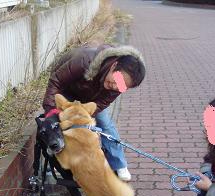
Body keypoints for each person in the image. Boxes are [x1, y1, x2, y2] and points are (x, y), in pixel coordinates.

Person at [42, 44, 146, 181]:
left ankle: (119, 163)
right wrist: (50, 111)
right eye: (117, 80)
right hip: (66, 90)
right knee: (60, 124)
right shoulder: (85, 60)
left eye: (122, 86)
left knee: (105, 124)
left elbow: (103, 102)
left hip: (91, 98)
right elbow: (56, 81)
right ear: (114, 66)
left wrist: (86, 116)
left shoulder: (120, 84)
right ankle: (62, 163)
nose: (115, 86)